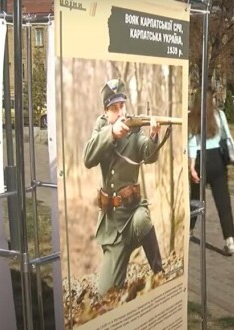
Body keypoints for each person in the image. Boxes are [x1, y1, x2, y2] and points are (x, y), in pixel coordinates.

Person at [83, 78, 164, 295]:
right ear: (106, 111)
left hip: (132, 214)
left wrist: (154, 136)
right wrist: (110, 134)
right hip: (112, 225)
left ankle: (159, 271)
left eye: (122, 106)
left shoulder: (134, 131)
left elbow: (148, 153)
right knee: (105, 292)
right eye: (114, 108)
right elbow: (88, 158)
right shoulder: (101, 128)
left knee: (142, 218)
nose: (120, 112)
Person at [188, 90, 234, 254]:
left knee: (195, 198)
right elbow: (227, 136)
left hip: (200, 160)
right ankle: (229, 241)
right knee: (223, 202)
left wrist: (191, 166)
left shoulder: (192, 117)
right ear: (212, 100)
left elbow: (192, 144)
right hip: (217, 159)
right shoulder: (220, 115)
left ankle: (189, 230)